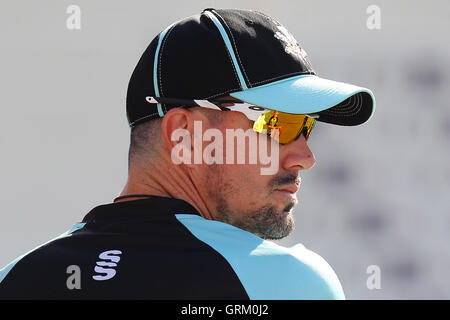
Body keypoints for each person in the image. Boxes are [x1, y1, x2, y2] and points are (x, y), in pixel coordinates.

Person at [0, 8, 375, 299]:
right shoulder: (287, 281)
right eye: (278, 124)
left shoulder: (16, 277)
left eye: (305, 125)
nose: (305, 157)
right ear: (184, 134)